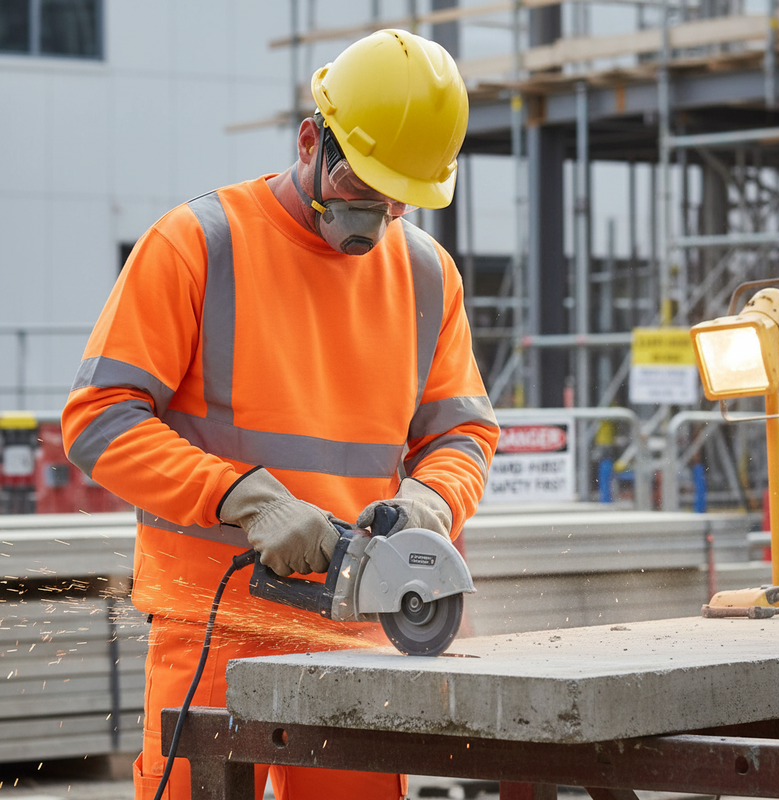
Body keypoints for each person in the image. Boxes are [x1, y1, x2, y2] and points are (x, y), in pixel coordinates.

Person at [61, 28, 499, 800]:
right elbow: (99, 421)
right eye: (362, 185)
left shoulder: (429, 274)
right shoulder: (198, 245)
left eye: (398, 197)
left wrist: (433, 502)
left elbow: (462, 433)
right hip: (212, 627)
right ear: (309, 141)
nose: (378, 213)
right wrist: (245, 500)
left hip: (364, 635)